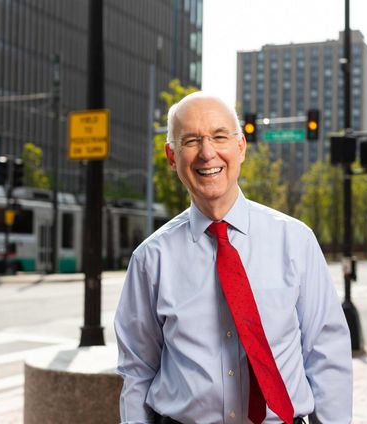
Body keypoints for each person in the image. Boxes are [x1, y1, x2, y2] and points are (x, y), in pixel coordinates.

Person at [114, 92, 352, 424]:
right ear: (172, 155)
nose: (207, 153)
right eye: (192, 141)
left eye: (219, 136)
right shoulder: (150, 259)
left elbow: (327, 353)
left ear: (240, 147)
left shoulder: (296, 241)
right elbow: (137, 369)